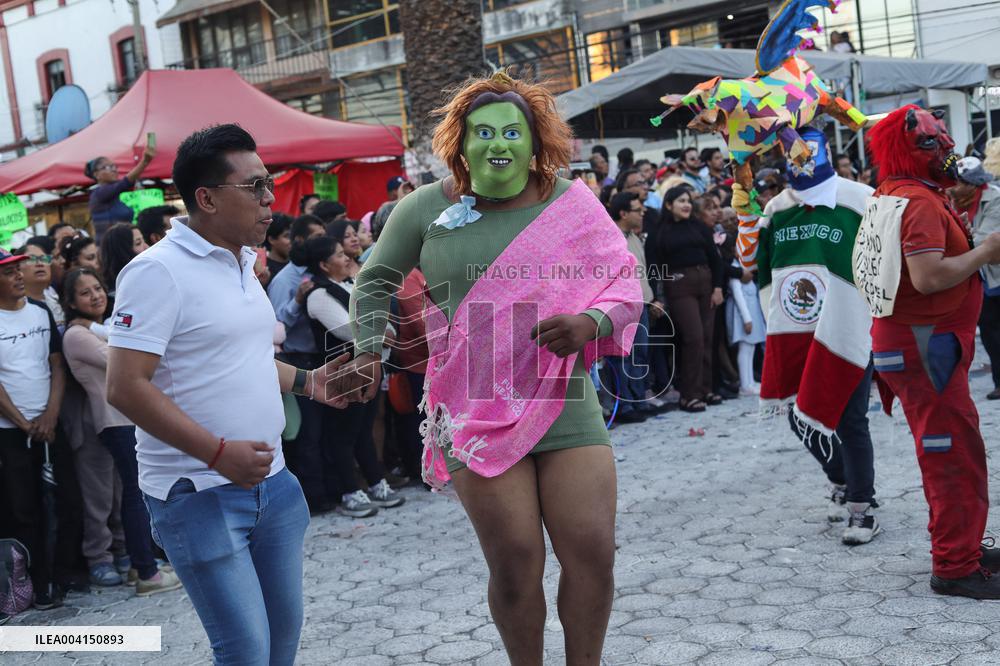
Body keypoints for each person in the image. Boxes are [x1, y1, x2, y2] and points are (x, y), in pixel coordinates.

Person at [343, 71, 642, 665]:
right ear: (461, 142)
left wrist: (593, 323)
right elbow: (374, 279)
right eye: (483, 132)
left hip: (562, 392)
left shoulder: (573, 202)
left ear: (537, 143)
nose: (498, 143)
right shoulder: (424, 208)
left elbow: (623, 280)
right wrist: (369, 346)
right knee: (516, 559)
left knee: (592, 549)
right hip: (471, 400)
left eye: (512, 131)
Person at [106, 124, 354, 663]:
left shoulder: (241, 260)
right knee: (245, 650)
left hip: (275, 487)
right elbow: (124, 386)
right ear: (207, 198)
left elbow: (240, 361)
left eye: (270, 184)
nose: (270, 200)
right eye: (256, 187)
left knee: (281, 644)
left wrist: (312, 384)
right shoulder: (155, 273)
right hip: (199, 492)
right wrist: (218, 453)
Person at [860, 105, 1000, 596]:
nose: (945, 147)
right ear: (908, 152)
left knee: (956, 449)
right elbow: (928, 276)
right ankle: (956, 566)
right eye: (932, 141)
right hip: (925, 345)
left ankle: (963, 543)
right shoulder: (916, 201)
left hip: (919, 343)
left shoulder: (899, 193)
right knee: (951, 454)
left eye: (943, 136)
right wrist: (986, 250)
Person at [735, 126, 878, 542]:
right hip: (794, 330)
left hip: (850, 325)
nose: (801, 163)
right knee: (799, 417)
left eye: (807, 154)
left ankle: (862, 508)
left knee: (851, 419)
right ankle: (844, 479)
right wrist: (743, 206)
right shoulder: (777, 207)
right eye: (793, 156)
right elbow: (748, 261)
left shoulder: (861, 197)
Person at [61, 268, 182, 596]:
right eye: (85, 293)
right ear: (70, 302)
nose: (96, 296)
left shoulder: (97, 327)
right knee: (134, 494)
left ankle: (139, 565)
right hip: (113, 422)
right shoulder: (76, 335)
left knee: (131, 493)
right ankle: (146, 573)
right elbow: (120, 357)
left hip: (128, 419)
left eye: (98, 288)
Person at [0, 248, 83, 610]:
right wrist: (23, 423)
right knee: (24, 508)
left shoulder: (41, 311)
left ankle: (61, 575)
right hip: (10, 431)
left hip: (49, 424)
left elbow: (57, 365)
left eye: (19, 269)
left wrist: (50, 415)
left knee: (66, 500)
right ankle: (32, 582)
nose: (19, 276)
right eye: (9, 272)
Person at [298, 236, 403, 516]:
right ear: (323, 264)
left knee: (362, 430)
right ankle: (349, 490)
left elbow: (379, 314)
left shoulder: (347, 285)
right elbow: (347, 329)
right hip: (342, 371)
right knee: (343, 434)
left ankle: (375, 481)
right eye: (338, 254)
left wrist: (386, 331)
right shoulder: (319, 295)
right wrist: (384, 333)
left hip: (367, 367)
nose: (347, 258)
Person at [267, 214, 327, 513]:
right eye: (315, 236)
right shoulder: (284, 281)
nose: (322, 241)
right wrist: (299, 301)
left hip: (319, 357)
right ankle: (314, 499)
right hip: (295, 361)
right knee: (306, 434)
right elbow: (278, 327)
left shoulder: (317, 271)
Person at [650, 186, 723, 411]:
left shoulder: (699, 227)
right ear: (669, 205)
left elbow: (715, 258)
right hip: (679, 286)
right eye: (681, 201)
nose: (686, 205)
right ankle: (688, 395)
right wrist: (655, 297)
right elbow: (653, 266)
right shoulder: (658, 232)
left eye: (688, 200)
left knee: (708, 338)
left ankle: (705, 389)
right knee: (693, 337)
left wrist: (718, 287)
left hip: (706, 283)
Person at [606, 192, 665, 423]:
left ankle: (638, 400)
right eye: (637, 211)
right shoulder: (611, 238)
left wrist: (654, 299)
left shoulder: (634, 237)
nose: (642, 214)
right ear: (623, 213)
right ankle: (625, 406)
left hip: (642, 304)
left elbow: (644, 272)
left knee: (640, 353)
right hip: (623, 305)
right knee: (624, 356)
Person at [950, 157, 1000, 399]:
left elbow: (984, 239)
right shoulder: (950, 201)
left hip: (995, 270)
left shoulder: (995, 198)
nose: (953, 187)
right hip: (977, 276)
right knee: (989, 331)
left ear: (973, 184)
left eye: (959, 182)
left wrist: (954, 245)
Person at [85, 138, 156, 239]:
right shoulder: (99, 193)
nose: (114, 170)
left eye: (114, 166)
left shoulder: (113, 196)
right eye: (107, 167)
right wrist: (145, 161)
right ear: (96, 175)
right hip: (111, 248)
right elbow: (125, 183)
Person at [15, 237, 64, 327]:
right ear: (17, 268)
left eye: (44, 259)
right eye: (31, 259)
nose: (40, 264)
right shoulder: (14, 308)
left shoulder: (56, 300)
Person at [100, 222, 148, 312]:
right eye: (138, 243)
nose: (146, 247)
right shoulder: (112, 298)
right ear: (121, 252)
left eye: (144, 240)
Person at [264, 214, 292, 278]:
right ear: (272, 239)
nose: (292, 241)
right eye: (287, 236)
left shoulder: (297, 266)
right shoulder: (263, 270)